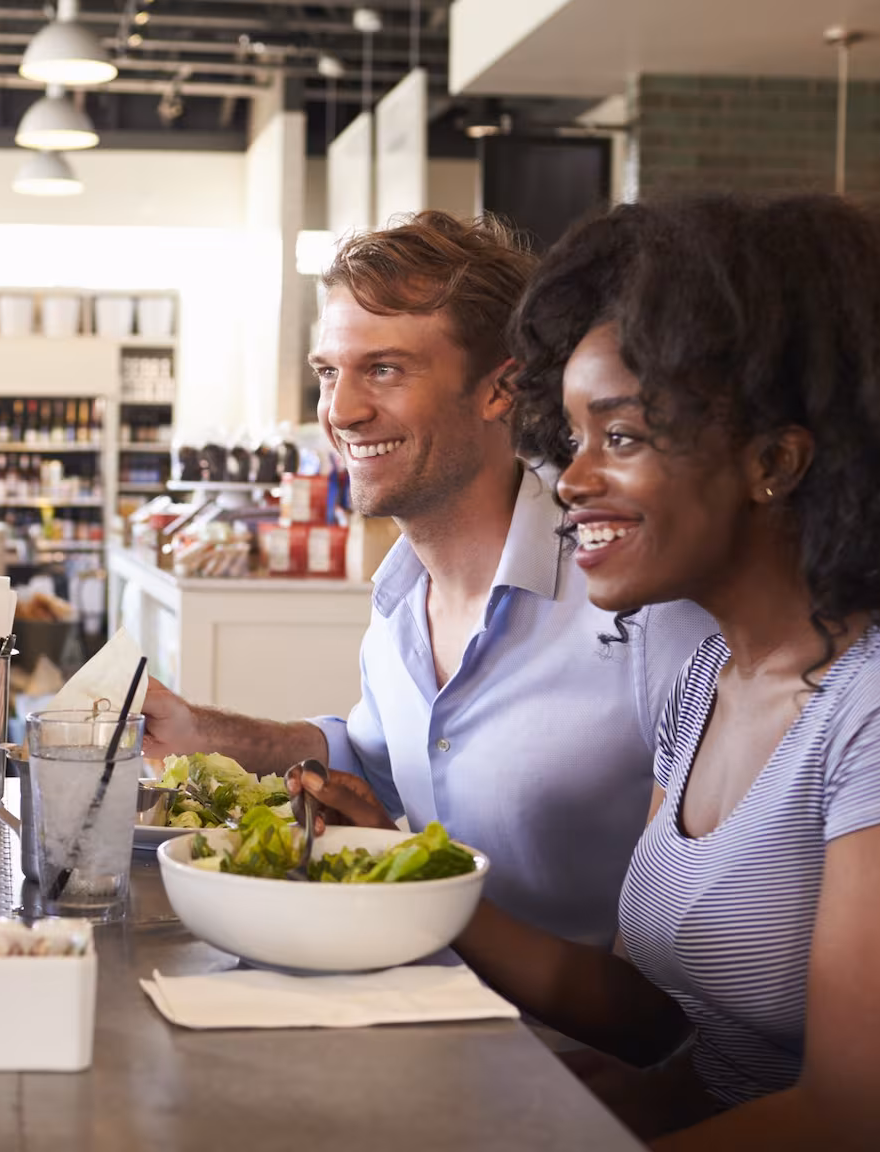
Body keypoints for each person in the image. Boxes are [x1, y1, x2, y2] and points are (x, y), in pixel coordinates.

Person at [303, 195, 880, 1150]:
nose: (569, 479)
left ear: (774, 460)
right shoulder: (710, 684)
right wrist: (403, 872)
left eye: (624, 437)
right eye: (573, 436)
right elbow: (662, 1024)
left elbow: (857, 1121)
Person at [142, 212, 714, 946]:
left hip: (583, 1052)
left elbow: (691, 967)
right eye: (328, 373)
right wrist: (202, 732)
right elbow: (378, 764)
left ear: (500, 390)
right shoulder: (401, 600)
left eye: (384, 369)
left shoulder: (642, 606)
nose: (340, 411)